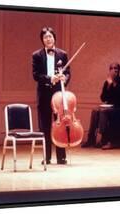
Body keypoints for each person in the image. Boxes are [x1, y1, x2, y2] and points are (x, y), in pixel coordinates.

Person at [32, 27, 70, 165]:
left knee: (60, 125)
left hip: (58, 95)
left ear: (54, 38)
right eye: (45, 37)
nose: (48, 39)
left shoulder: (63, 54)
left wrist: (63, 78)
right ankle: (46, 157)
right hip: (44, 94)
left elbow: (68, 73)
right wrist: (50, 78)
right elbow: (36, 75)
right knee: (45, 127)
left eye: (50, 36)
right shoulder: (36, 55)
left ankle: (61, 157)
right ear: (42, 40)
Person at [81, 62, 120, 148]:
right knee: (95, 110)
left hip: (119, 106)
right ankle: (91, 139)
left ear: (119, 70)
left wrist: (113, 84)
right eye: (112, 68)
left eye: (116, 68)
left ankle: (103, 139)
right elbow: (103, 98)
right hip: (109, 106)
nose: (114, 70)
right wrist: (109, 86)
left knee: (103, 111)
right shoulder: (107, 82)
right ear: (110, 70)